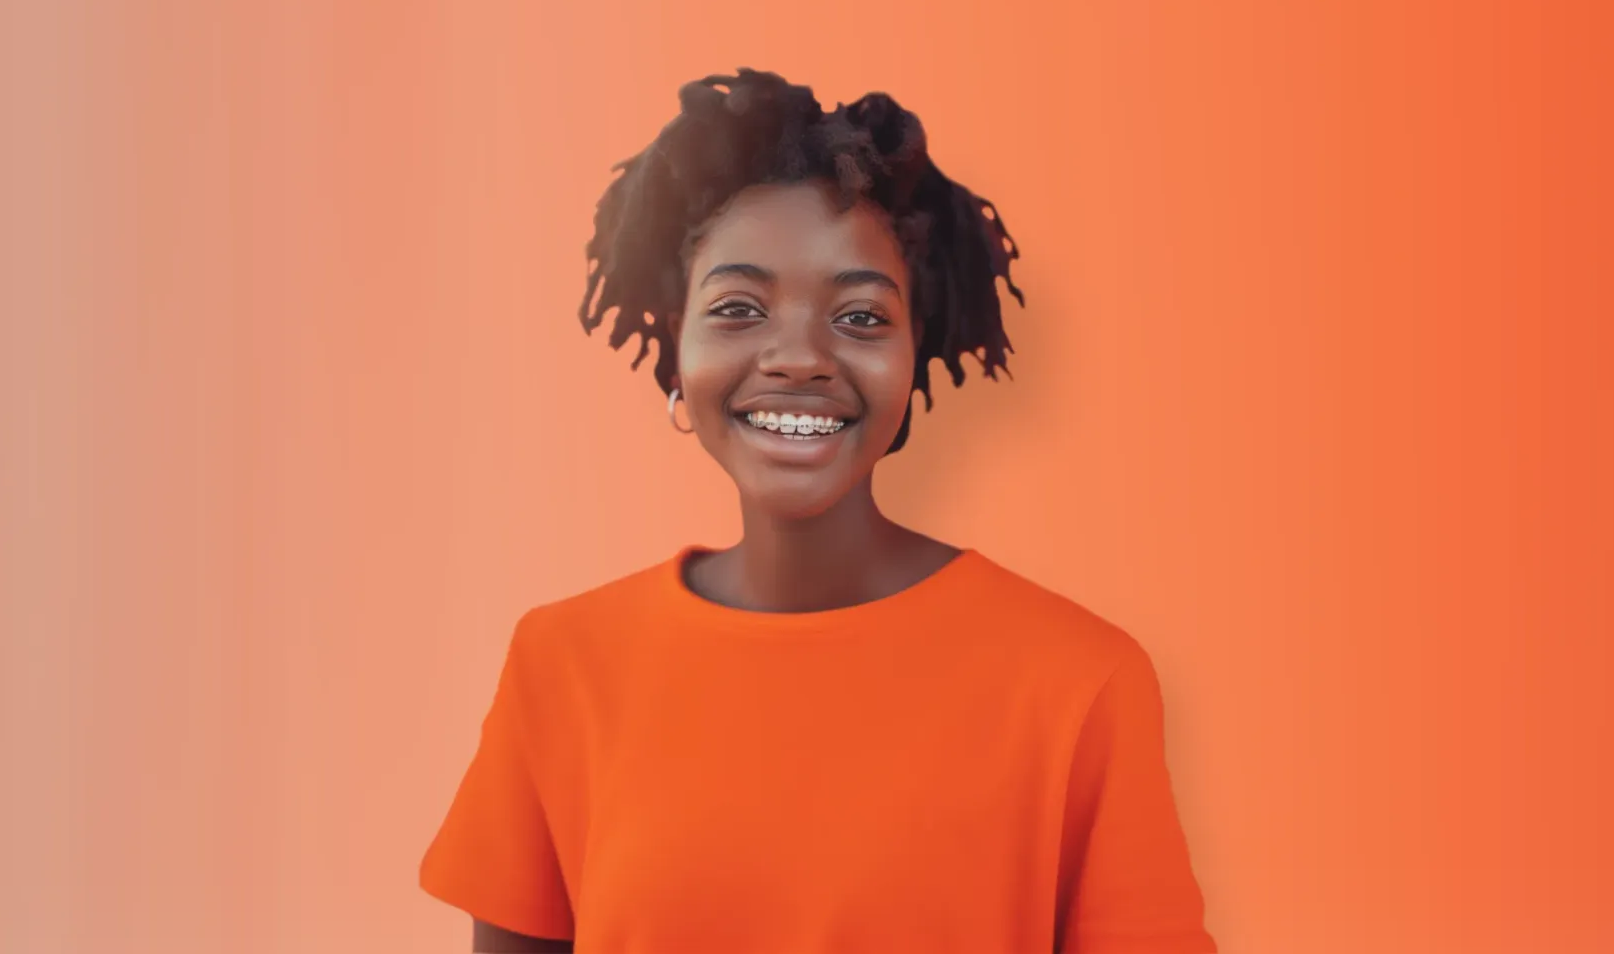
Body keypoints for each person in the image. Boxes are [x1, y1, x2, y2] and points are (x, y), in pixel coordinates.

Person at [419, 69, 1217, 953]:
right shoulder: (562, 666)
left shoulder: (1078, 684)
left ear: (918, 350)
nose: (797, 356)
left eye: (861, 317)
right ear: (675, 344)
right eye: (737, 309)